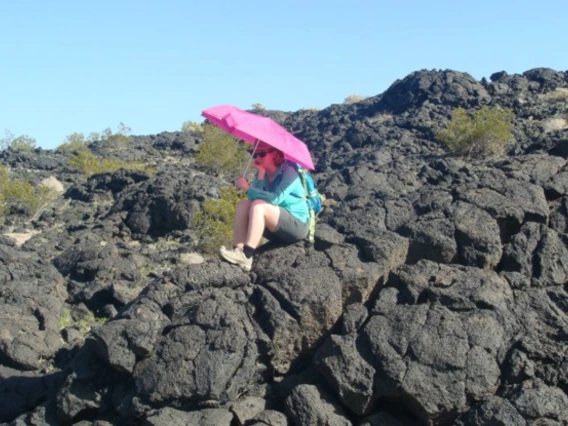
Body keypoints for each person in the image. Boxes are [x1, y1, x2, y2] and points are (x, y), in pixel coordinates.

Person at [219, 141, 309, 271]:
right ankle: (238, 250)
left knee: (258, 206)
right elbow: (251, 198)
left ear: (275, 154)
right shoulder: (263, 174)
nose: (257, 158)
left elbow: (276, 199)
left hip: (297, 226)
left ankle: (247, 255)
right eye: (254, 154)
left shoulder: (289, 172)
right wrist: (261, 174)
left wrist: (248, 188)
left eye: (261, 153)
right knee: (244, 205)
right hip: (276, 228)